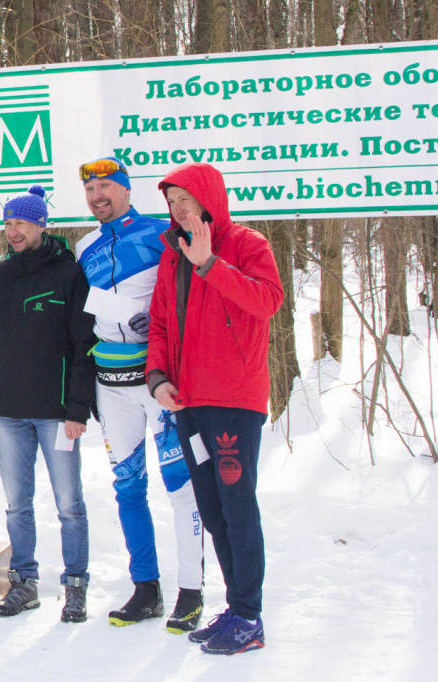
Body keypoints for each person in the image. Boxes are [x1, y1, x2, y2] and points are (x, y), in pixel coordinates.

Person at [0, 186, 95, 622]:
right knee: (17, 504)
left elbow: (85, 344)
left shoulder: (69, 275)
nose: (13, 231)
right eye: (7, 224)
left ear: (41, 224)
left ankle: (76, 585)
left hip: (57, 412)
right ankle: (24, 582)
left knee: (69, 504)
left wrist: (78, 408)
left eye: (21, 223)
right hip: (9, 409)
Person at [147, 161, 284, 655]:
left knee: (237, 506)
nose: (178, 210)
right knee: (213, 509)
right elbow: (160, 322)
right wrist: (158, 378)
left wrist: (211, 264)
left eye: (185, 199)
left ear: (208, 199)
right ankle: (236, 608)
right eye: (171, 202)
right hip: (189, 403)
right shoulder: (172, 254)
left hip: (233, 401)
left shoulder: (247, 244)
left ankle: (249, 617)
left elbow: (267, 302)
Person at [74, 156, 205, 633]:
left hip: (159, 382)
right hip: (111, 387)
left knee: (181, 488)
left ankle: (191, 590)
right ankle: (145, 587)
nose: (97, 196)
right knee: (128, 487)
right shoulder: (84, 245)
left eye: (107, 186)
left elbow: (190, 294)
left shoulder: (159, 232)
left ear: (127, 190)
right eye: (91, 190)